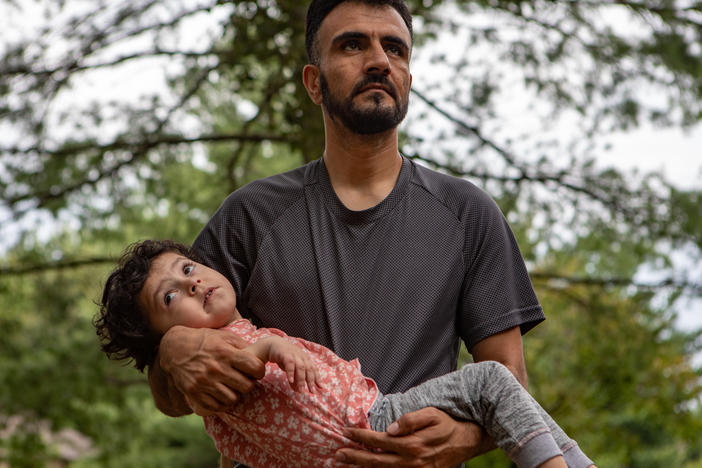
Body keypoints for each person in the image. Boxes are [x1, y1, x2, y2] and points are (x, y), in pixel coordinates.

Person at [147, 0, 556, 465]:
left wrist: (464, 439)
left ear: (408, 79)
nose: (380, 60)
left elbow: (510, 382)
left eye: (396, 49)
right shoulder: (250, 215)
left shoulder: (467, 213)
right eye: (353, 44)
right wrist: (173, 349)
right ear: (314, 83)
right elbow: (168, 396)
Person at [95, 239, 595, 468]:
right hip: (371, 422)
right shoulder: (220, 357)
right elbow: (212, 381)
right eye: (170, 297)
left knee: (498, 387)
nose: (193, 282)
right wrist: (266, 344)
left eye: (188, 269)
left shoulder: (462, 213)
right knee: (487, 382)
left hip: (360, 444)